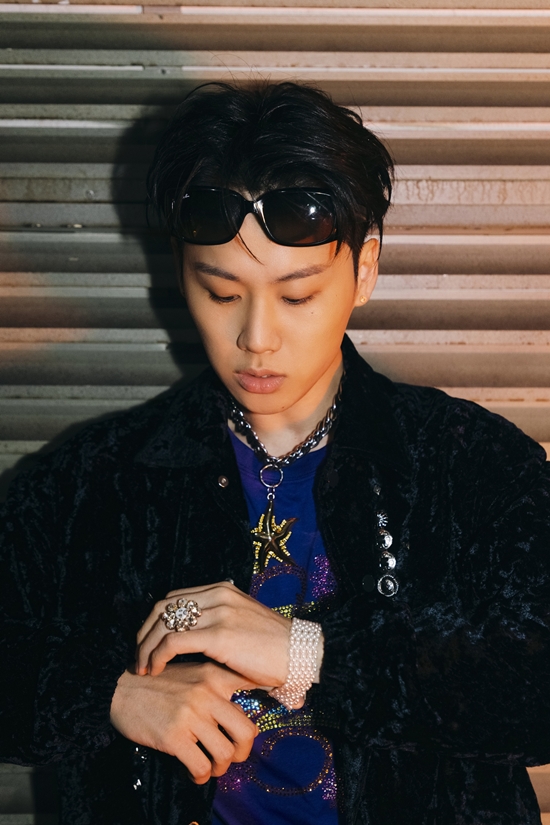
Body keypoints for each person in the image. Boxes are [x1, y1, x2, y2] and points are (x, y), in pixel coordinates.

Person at [1, 80, 550, 825]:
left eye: (297, 296)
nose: (257, 339)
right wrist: (108, 693)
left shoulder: (470, 465)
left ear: (364, 270)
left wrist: (309, 655)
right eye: (222, 292)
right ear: (180, 272)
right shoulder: (93, 482)